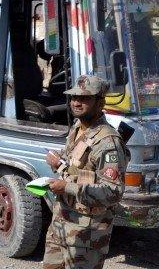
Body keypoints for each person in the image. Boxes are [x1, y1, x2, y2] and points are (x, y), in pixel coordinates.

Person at [43, 75, 130, 269]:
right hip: (61, 224)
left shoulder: (109, 143)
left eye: (84, 98)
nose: (76, 102)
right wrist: (59, 163)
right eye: (74, 97)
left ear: (100, 103)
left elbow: (112, 192)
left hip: (87, 234)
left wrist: (67, 187)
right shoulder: (77, 127)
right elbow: (76, 167)